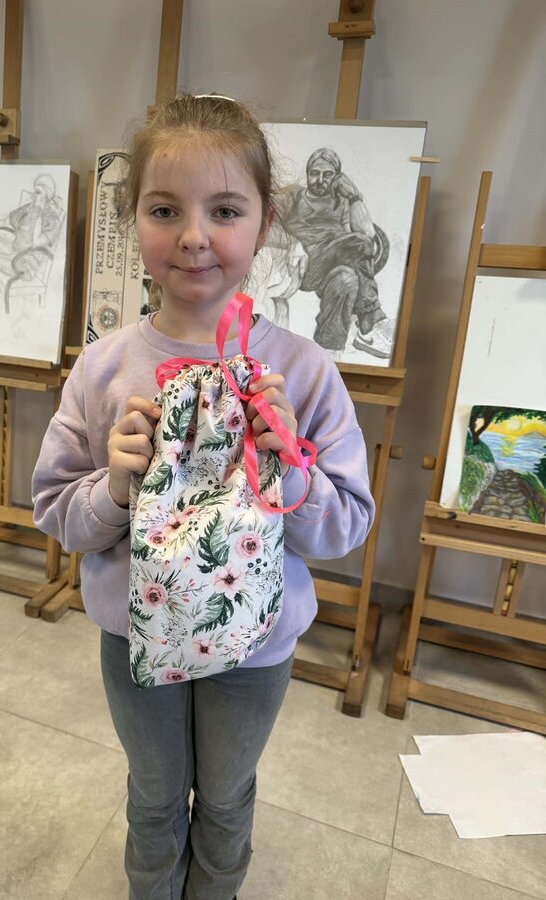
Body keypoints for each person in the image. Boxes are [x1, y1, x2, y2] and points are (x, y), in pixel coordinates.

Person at [32, 94, 374, 900]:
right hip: (135, 636)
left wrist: (288, 466)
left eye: (223, 210)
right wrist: (115, 486)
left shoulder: (306, 372)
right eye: (164, 210)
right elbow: (56, 511)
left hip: (255, 646)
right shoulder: (103, 366)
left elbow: (346, 525)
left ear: (264, 223)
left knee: (224, 797)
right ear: (133, 221)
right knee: (154, 799)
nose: (193, 236)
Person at [277, 147, 393, 359]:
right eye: (315, 173)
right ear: (307, 173)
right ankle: (371, 317)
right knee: (358, 243)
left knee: (346, 279)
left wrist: (354, 195)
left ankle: (328, 355)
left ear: (337, 177)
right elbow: (263, 227)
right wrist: (292, 242)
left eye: (328, 174)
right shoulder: (293, 196)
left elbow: (369, 233)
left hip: (331, 267)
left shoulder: (341, 202)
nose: (320, 180)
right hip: (303, 266)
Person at [0, 173, 63, 326]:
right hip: (14, 252)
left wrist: (38, 213)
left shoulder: (52, 219)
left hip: (25, 265)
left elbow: (36, 242)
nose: (33, 195)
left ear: (47, 195)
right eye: (34, 191)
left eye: (38, 192)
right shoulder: (30, 208)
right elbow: (8, 220)